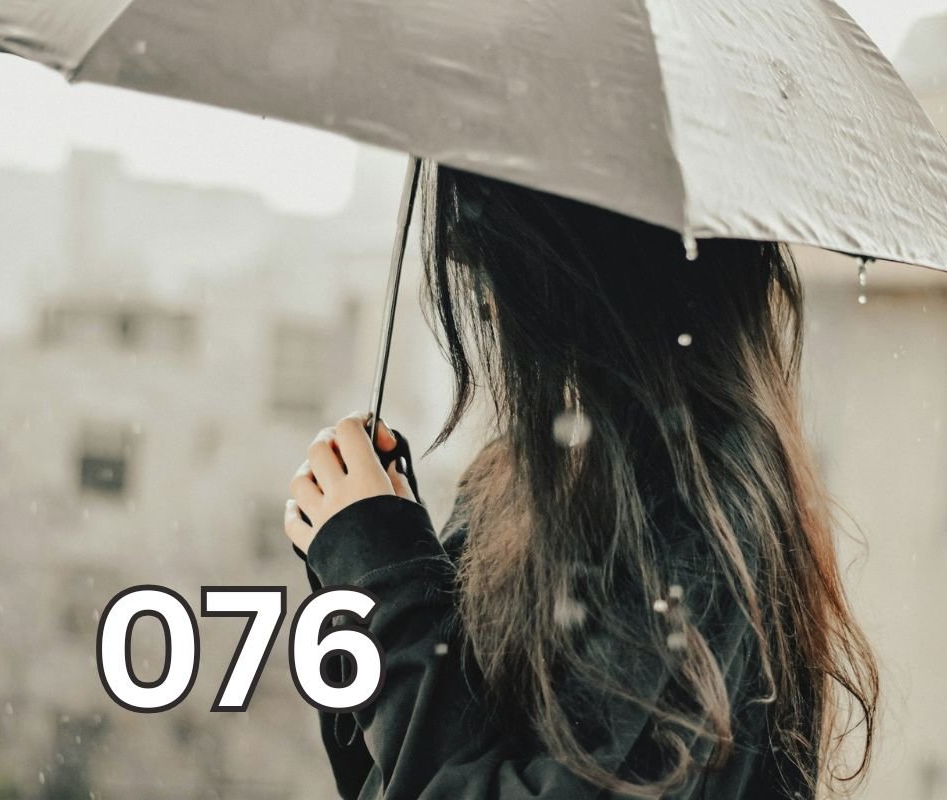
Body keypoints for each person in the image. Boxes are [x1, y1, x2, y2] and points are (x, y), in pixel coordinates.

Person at [283, 161, 879, 799]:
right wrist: (361, 567)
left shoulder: (692, 511)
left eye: (490, 212)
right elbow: (387, 778)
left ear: (578, 252)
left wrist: (383, 577)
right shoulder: (520, 475)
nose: (463, 257)